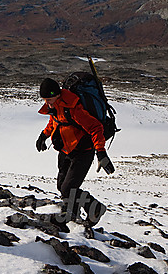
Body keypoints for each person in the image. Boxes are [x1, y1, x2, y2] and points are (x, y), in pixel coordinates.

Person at [35, 77, 115, 226]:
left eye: (49, 99)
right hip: (66, 149)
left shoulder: (73, 108)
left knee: (68, 188)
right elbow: (55, 121)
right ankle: (72, 215)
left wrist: (101, 152)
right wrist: (44, 135)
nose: (47, 103)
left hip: (83, 152)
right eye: (45, 99)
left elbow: (95, 128)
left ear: (57, 94)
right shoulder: (56, 105)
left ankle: (95, 208)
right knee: (61, 185)